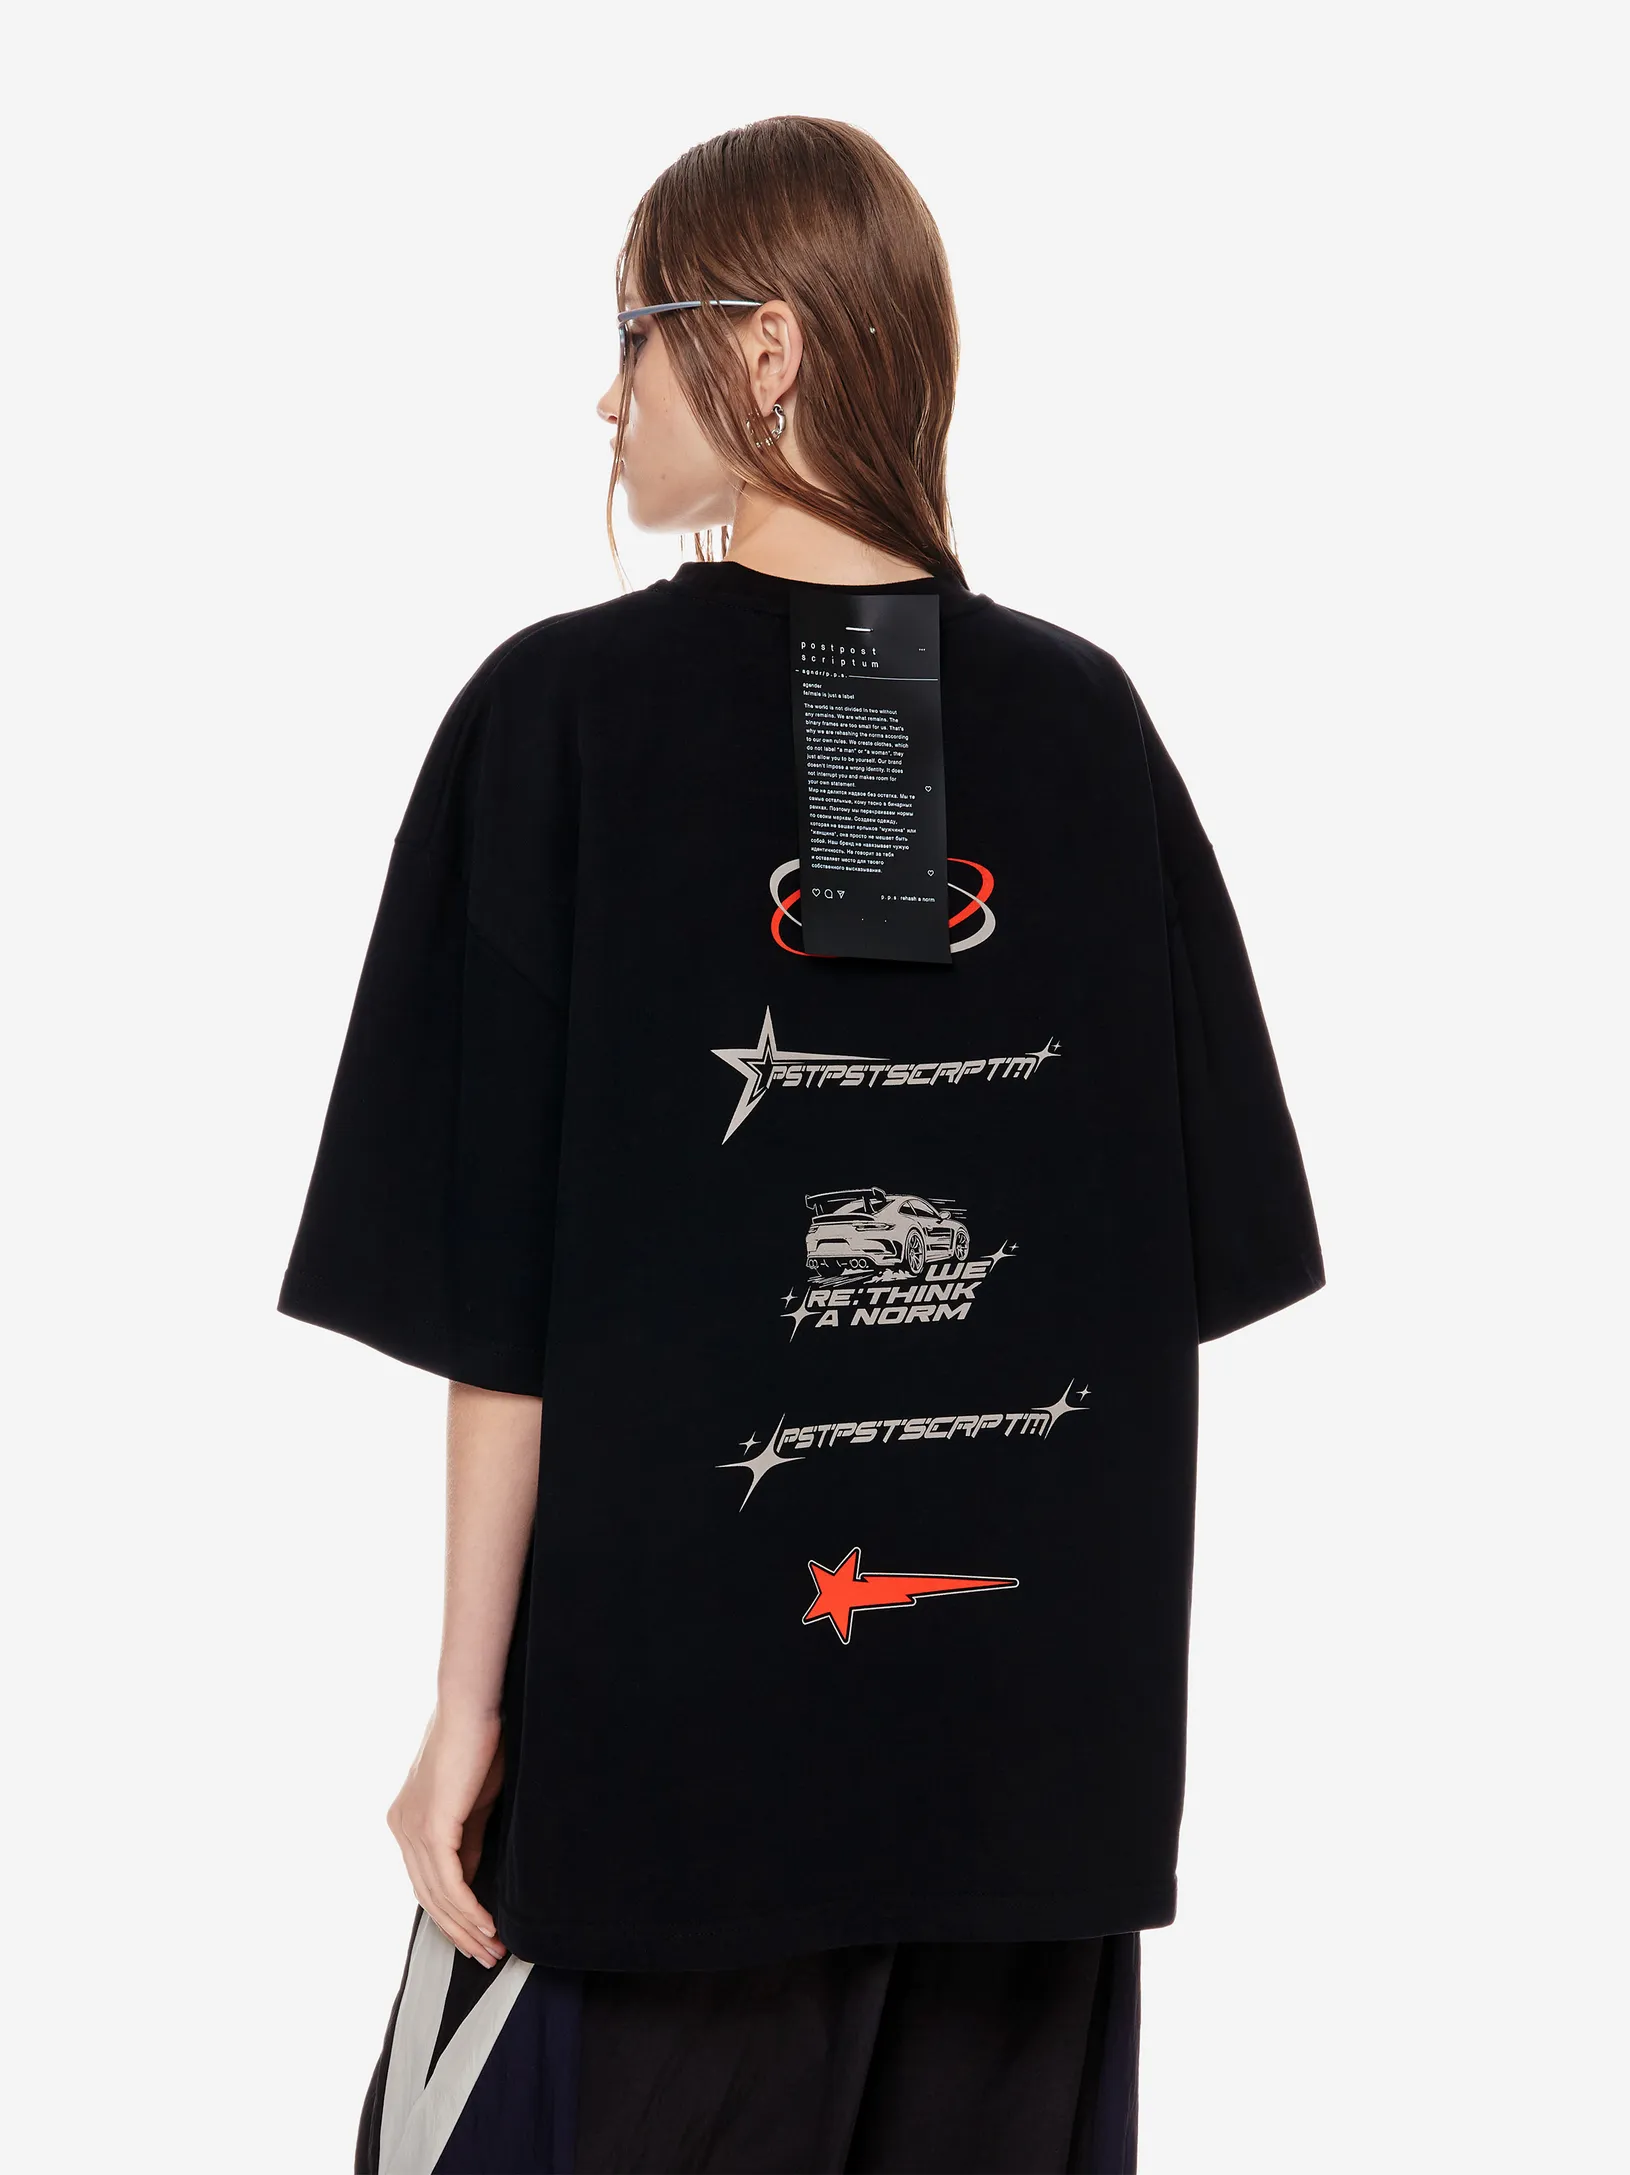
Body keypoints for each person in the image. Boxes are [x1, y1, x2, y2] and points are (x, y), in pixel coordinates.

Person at [279, 114, 1324, 2175]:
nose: (606, 398)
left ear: (759, 346)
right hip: (1035, 1781)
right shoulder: (1091, 730)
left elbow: (501, 1305)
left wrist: (466, 1714)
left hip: (673, 1789)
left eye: (633, 334)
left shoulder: (559, 722)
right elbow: (1180, 1265)